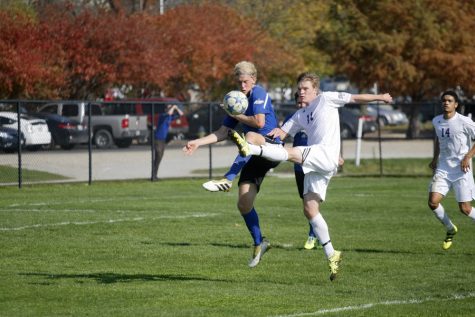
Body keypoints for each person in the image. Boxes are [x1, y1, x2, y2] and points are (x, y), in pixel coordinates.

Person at [229, 72, 392, 281]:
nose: (301, 92)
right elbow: (280, 134)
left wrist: (381, 97)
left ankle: (250, 149)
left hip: (324, 154)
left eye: (305, 89)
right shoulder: (299, 115)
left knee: (293, 152)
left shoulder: (327, 99)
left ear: (316, 90)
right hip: (317, 165)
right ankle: (332, 254)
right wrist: (265, 136)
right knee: (310, 209)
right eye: (300, 89)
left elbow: (356, 98)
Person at [183, 61, 280, 268]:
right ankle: (259, 242)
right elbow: (222, 132)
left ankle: (227, 179)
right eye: (239, 82)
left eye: (245, 81)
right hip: (253, 154)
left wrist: (235, 114)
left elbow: (260, 123)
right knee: (244, 203)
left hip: (271, 148)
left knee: (251, 135)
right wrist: (197, 142)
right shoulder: (237, 100)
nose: (242, 86)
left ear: (253, 79)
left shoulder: (259, 92)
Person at [428, 90, 475, 250]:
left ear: (456, 104)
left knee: (465, 209)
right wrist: (435, 158)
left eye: (449, 100)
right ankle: (450, 229)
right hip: (443, 167)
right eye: (444, 100)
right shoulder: (437, 121)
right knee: (433, 202)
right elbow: (438, 140)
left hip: (462, 169)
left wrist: (468, 156)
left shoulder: (464, 121)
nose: (446, 103)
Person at [153, 104, 184, 181]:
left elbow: (181, 114)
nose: (171, 109)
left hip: (163, 140)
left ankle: (155, 176)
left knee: (160, 157)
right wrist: (173, 107)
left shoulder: (170, 117)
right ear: (166, 109)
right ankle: (153, 176)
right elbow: (169, 113)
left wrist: (176, 108)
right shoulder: (163, 115)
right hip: (158, 139)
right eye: (169, 107)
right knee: (158, 156)